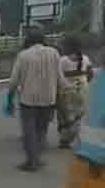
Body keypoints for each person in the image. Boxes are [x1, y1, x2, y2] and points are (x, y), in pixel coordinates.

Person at [9, 27, 66, 171]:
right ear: (43, 40)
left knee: (29, 131)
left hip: (28, 100)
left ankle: (31, 161)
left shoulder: (23, 55)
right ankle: (37, 159)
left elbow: (14, 81)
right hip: (48, 99)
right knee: (41, 130)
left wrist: (9, 99)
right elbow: (60, 78)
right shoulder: (54, 53)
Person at [57, 34, 94, 148]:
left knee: (65, 115)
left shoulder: (62, 60)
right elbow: (90, 74)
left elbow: (58, 77)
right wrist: (85, 82)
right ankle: (75, 136)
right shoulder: (86, 58)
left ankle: (65, 139)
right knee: (79, 114)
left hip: (66, 90)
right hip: (82, 89)